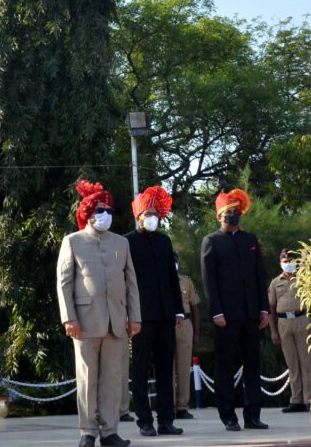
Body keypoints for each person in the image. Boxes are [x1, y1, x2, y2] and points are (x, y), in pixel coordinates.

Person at [57, 180, 140, 447]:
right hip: (85, 321)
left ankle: (110, 431)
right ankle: (87, 432)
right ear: (88, 212)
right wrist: (68, 317)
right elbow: (64, 282)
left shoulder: (121, 243)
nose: (106, 214)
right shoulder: (72, 241)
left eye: (109, 210)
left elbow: (131, 283)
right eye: (100, 209)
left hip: (117, 321)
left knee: (113, 380)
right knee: (87, 379)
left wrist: (135, 316)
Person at [200, 188, 270, 432]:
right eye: (228, 213)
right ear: (219, 216)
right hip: (226, 317)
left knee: (253, 366)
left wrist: (264, 309)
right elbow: (209, 281)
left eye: (236, 212)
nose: (233, 216)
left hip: (251, 313)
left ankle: (253, 415)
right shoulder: (212, 241)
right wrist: (216, 311)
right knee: (225, 367)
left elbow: (260, 276)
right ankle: (228, 415)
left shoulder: (250, 240)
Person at [125, 186, 184, 438]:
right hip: (140, 317)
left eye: (155, 213)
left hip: (165, 314)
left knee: (164, 368)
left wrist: (178, 311)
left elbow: (172, 277)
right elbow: (125, 281)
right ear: (138, 216)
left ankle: (166, 420)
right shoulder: (127, 241)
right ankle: (144, 420)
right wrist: (128, 314)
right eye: (147, 213)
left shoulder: (164, 241)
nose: (152, 217)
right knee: (140, 369)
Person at [268, 248, 311, 412]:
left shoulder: (303, 278)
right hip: (283, 322)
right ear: (280, 263)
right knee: (292, 363)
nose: (288, 264)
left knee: (306, 362)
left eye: (291, 261)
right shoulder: (275, 282)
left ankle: (310, 399)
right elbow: (271, 308)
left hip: (302, 320)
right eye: (285, 261)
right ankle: (296, 400)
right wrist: (273, 330)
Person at [171, 251, 200, 420]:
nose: (173, 263)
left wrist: (196, 333)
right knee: (167, 368)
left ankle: (182, 406)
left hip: (184, 325)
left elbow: (194, 306)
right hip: (167, 325)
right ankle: (169, 404)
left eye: (175, 261)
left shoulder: (186, 280)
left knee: (183, 367)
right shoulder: (162, 280)